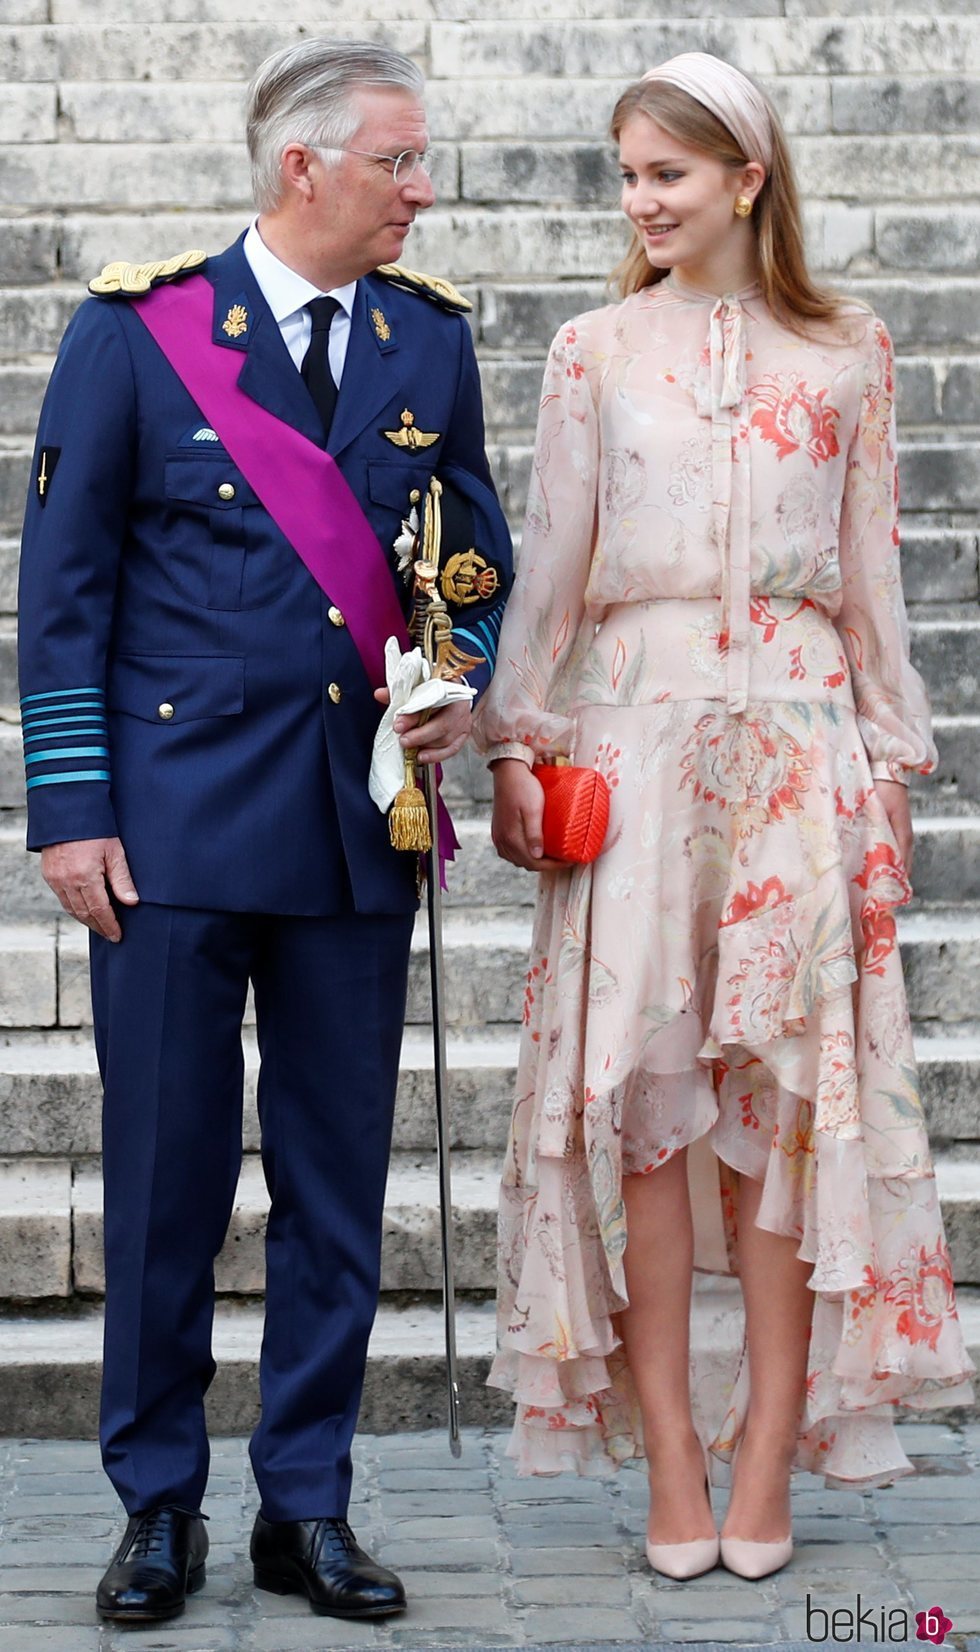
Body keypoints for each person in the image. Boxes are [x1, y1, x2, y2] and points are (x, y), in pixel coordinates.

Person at [17, 37, 511, 1626]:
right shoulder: (136, 333)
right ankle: (157, 1504)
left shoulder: (429, 343)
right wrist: (71, 814)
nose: (422, 191)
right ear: (306, 166)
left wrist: (453, 677)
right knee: (165, 1184)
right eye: (398, 162)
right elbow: (63, 595)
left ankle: (307, 1502)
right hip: (171, 834)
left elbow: (472, 551)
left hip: (356, 827)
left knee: (334, 1189)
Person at [472, 52, 973, 1584]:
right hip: (634, 749)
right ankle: (673, 1461)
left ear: (748, 179)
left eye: (667, 174)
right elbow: (552, 567)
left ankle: (767, 1453)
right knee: (641, 1109)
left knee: (783, 1118)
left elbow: (875, 584)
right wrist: (513, 744)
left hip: (803, 757)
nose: (641, 200)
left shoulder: (851, 347)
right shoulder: (592, 350)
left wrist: (890, 765)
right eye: (628, 175)